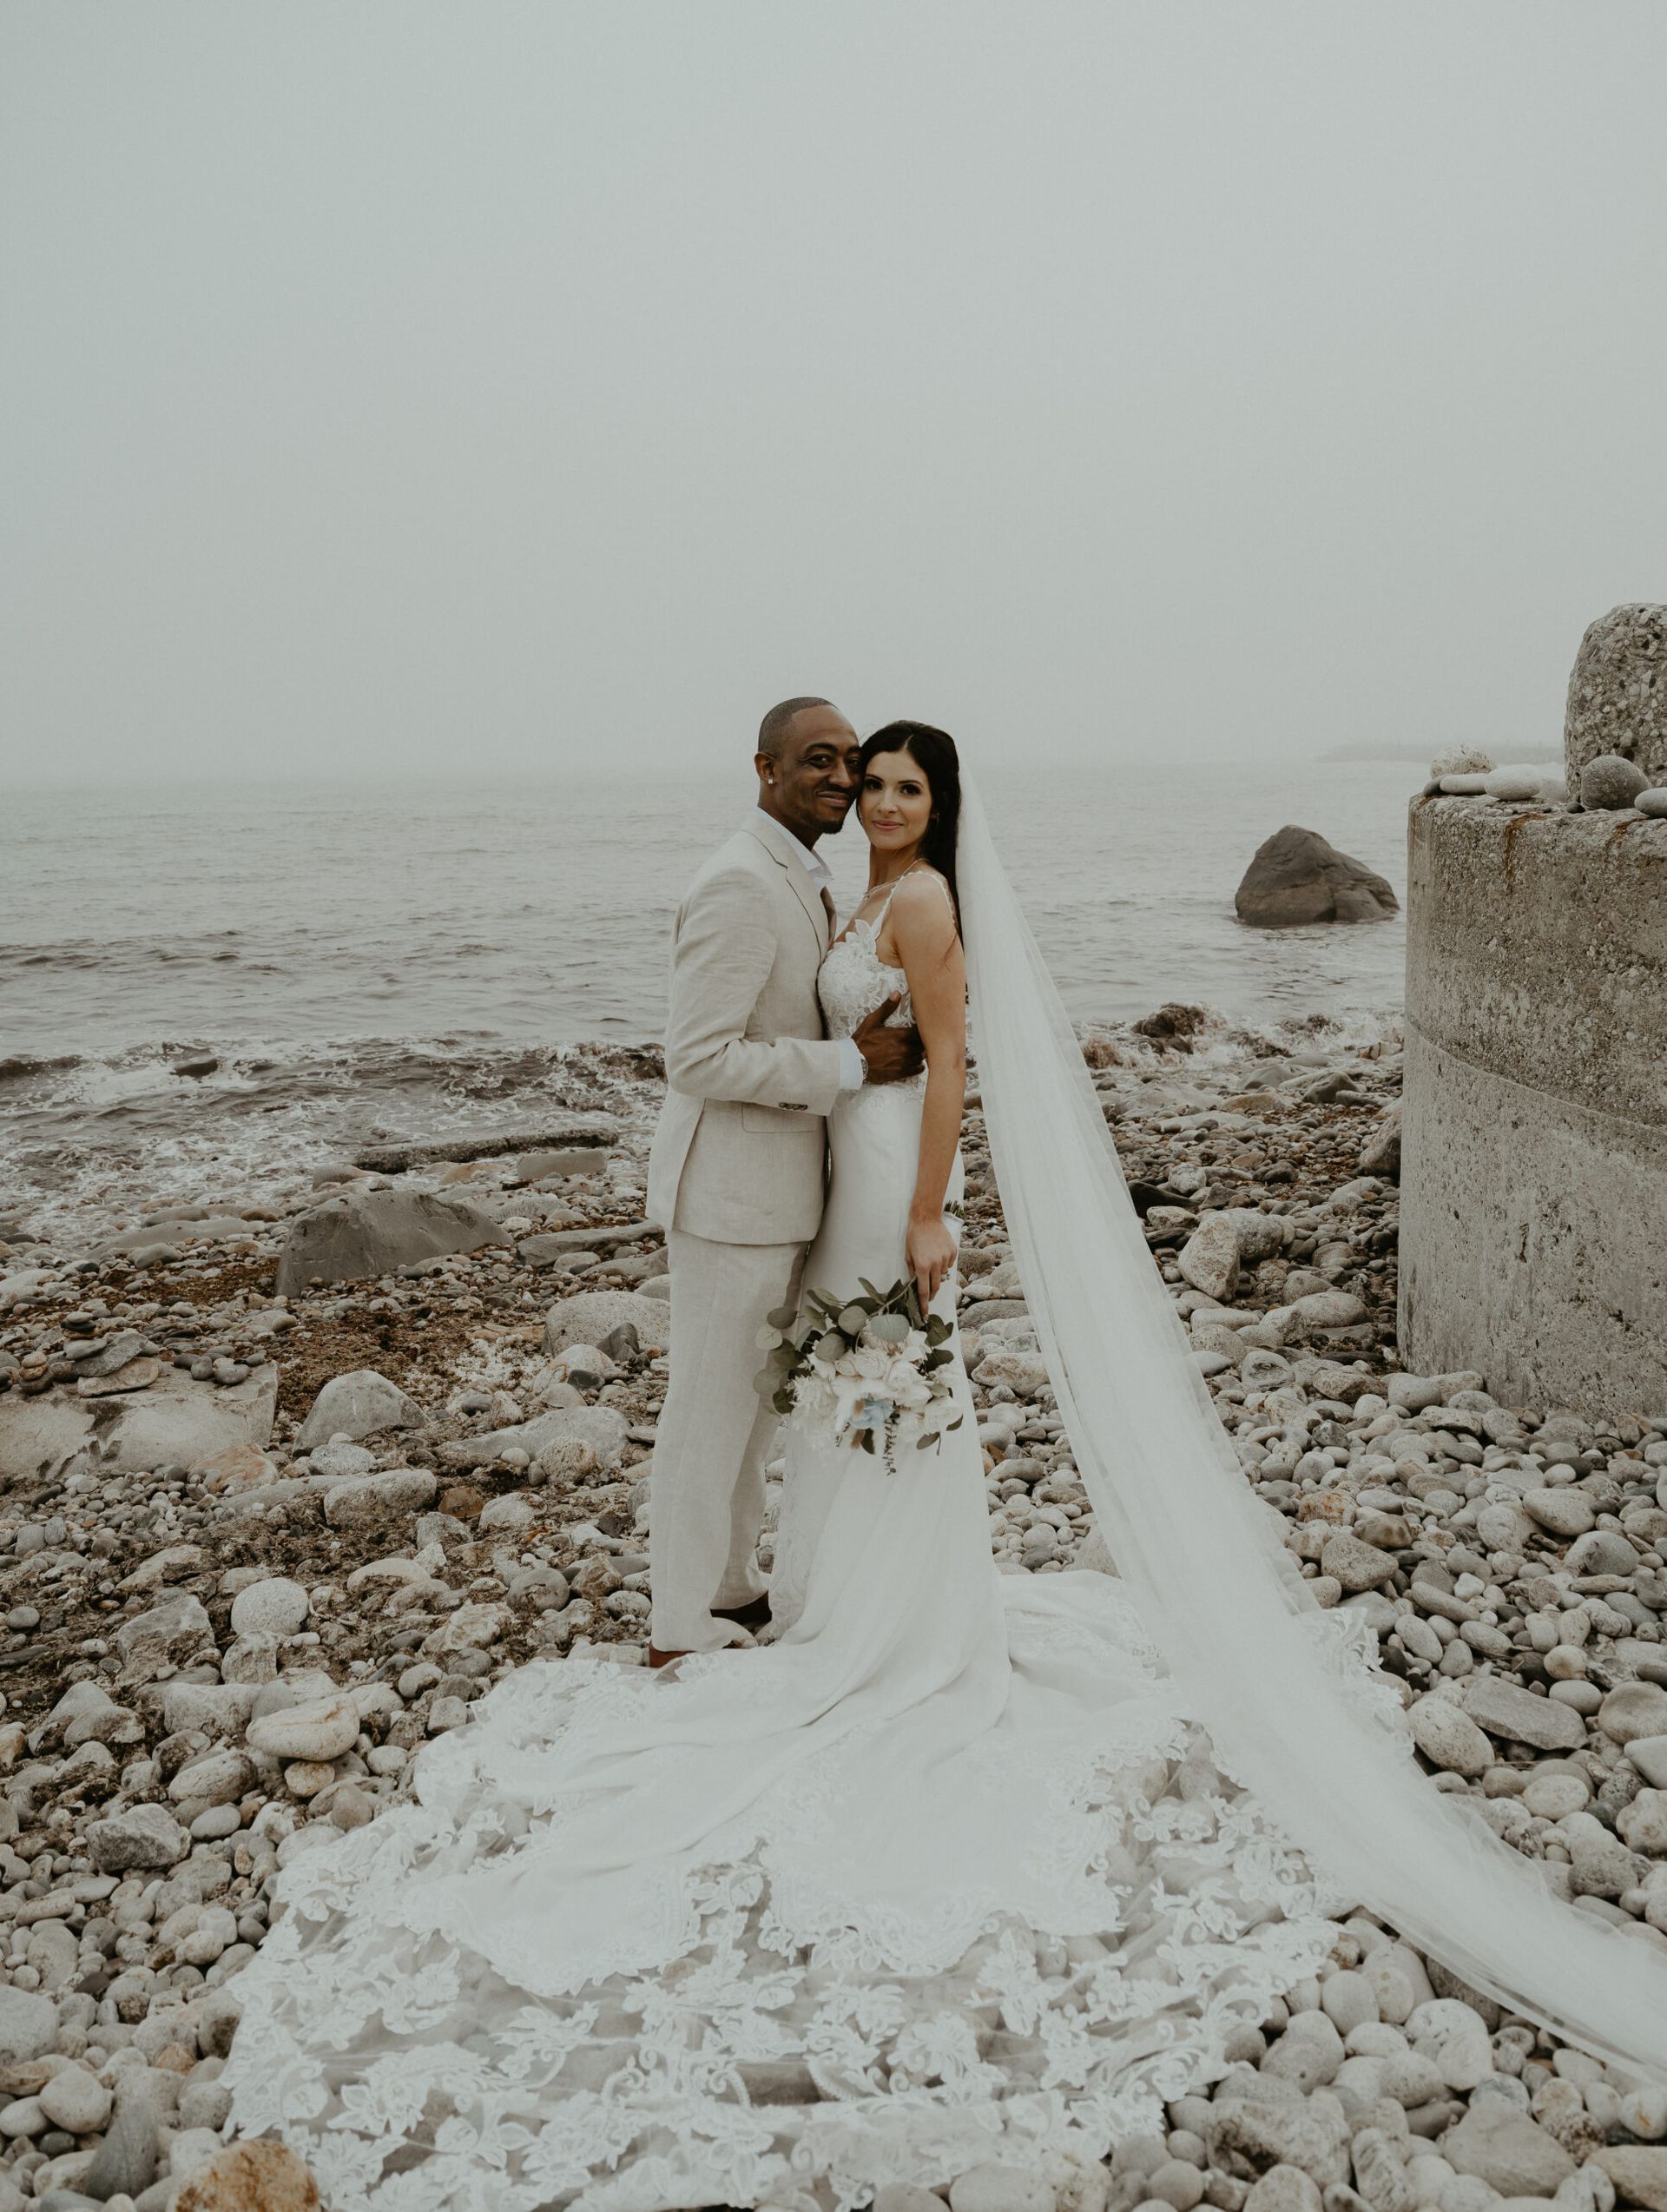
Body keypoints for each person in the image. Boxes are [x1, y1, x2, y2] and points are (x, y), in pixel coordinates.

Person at [220, 724, 1667, 2212]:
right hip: (819, 1171)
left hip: (878, 1184)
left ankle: (876, 1626)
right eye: (855, 772)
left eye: (897, 780)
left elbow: (952, 1060)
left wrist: (927, 1212)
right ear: (787, 775)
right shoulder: (827, 883)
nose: (871, 792)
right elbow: (771, 1042)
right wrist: (854, 1079)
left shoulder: (911, 901)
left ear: (935, 801)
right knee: (823, 1415)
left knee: (879, 1402)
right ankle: (794, 1607)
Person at [643, 697, 924, 1664]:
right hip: (727, 1201)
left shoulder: (802, 876)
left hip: (782, 1196)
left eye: (852, 760)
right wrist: (848, 1067)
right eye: (819, 761)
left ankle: (729, 1585)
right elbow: (699, 1057)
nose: (844, 778)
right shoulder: (736, 883)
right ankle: (676, 1627)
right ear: (765, 769)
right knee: (706, 1416)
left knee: (754, 1409)